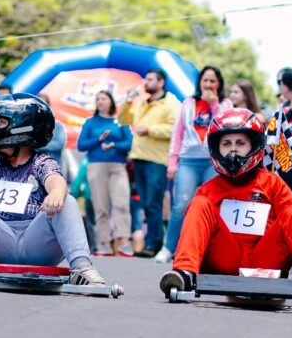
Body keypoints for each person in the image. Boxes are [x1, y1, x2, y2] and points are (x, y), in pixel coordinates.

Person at [158, 108, 292, 306]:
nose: (233, 150)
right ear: (216, 148)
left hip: (265, 260)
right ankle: (183, 272)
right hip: (224, 260)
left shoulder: (274, 184)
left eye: (240, 143)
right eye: (226, 144)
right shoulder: (206, 190)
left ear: (254, 145)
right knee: (198, 204)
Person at [0, 93, 108, 286]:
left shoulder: (41, 162)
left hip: (36, 243)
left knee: (67, 200)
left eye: (2, 123)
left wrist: (56, 193)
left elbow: (56, 180)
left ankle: (83, 268)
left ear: (20, 127)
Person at [155, 66, 232, 263]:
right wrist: (172, 163)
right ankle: (168, 247)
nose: (208, 84)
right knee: (181, 204)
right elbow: (177, 134)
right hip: (187, 161)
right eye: (205, 80)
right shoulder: (188, 103)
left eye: (212, 81)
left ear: (219, 83)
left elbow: (227, 127)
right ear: (199, 82)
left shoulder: (226, 104)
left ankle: (211, 250)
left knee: (214, 206)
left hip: (214, 162)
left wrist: (214, 105)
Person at [118, 69, 181, 258]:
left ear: (161, 83)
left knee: (154, 203)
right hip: (139, 157)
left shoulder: (171, 103)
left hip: (157, 160)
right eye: (146, 79)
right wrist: (128, 101)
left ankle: (154, 245)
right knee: (146, 203)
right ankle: (151, 243)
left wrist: (151, 129)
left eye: (151, 79)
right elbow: (122, 119)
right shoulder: (142, 103)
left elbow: (176, 129)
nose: (146, 82)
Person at [77, 90, 133, 257]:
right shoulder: (90, 123)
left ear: (111, 101)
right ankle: (104, 243)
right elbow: (81, 145)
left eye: (103, 98)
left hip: (118, 166)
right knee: (100, 205)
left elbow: (129, 144)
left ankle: (123, 241)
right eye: (98, 99)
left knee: (121, 202)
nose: (100, 101)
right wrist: (99, 139)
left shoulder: (121, 122)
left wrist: (114, 146)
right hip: (96, 165)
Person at [37, 94, 67, 168]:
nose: (41, 108)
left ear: (49, 107)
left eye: (44, 104)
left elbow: (59, 144)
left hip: (54, 169)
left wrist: (39, 145)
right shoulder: (31, 126)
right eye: (39, 105)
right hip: (34, 169)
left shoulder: (58, 126)